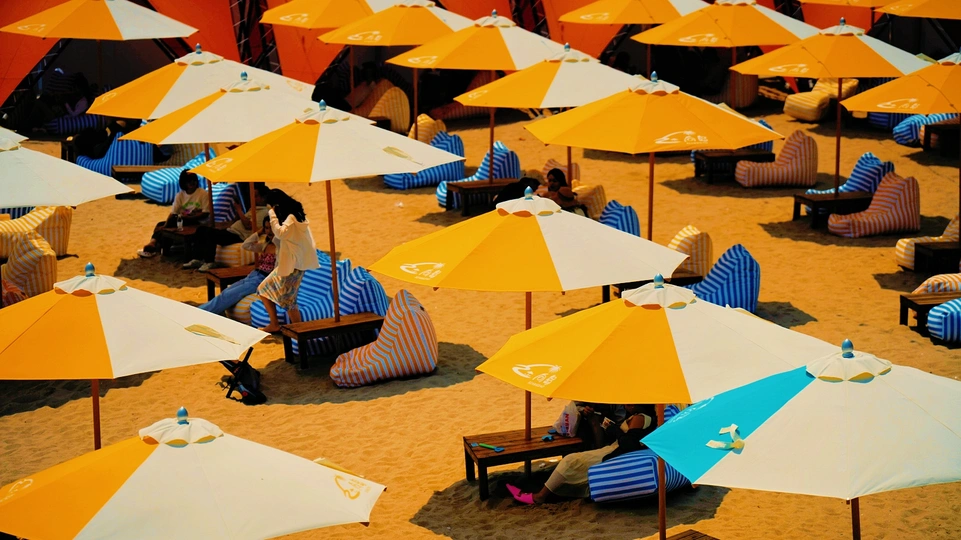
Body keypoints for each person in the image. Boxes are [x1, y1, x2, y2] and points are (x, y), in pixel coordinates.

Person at [507, 404, 658, 504]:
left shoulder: (639, 417)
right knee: (576, 461)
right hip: (611, 449)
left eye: (630, 403)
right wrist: (596, 421)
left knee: (571, 460)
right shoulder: (639, 417)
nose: (626, 405)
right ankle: (552, 491)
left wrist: (614, 430)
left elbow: (629, 443)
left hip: (614, 452)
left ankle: (540, 496)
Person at [257, 189, 320, 333]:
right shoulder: (293, 217)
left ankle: (300, 331)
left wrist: (271, 213)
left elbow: (280, 233)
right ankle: (275, 324)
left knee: (288, 299)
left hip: (295, 264)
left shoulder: (292, 217)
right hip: (291, 263)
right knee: (263, 288)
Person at [199, 217, 279, 316]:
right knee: (226, 292)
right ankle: (203, 311)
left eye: (271, 228)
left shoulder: (280, 248)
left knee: (227, 295)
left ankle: (200, 313)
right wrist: (259, 232)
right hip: (254, 275)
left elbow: (277, 271)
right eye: (266, 228)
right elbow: (246, 245)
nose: (269, 231)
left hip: (263, 280)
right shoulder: (266, 245)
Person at [183, 182, 270, 272]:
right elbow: (237, 221)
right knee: (201, 229)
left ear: (263, 198)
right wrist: (238, 212)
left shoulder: (263, 212)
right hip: (232, 231)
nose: (253, 198)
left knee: (210, 233)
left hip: (239, 235)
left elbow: (248, 225)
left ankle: (209, 261)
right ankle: (198, 258)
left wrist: (239, 210)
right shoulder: (253, 209)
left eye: (256, 196)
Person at [138, 171, 210, 258]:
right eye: (188, 181)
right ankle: (155, 244)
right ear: (184, 183)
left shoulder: (203, 194)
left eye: (193, 180)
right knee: (162, 224)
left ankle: (154, 244)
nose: (192, 183)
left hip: (197, 221)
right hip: (184, 220)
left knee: (169, 224)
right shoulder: (180, 195)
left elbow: (205, 213)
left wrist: (190, 217)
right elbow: (173, 212)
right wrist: (165, 225)